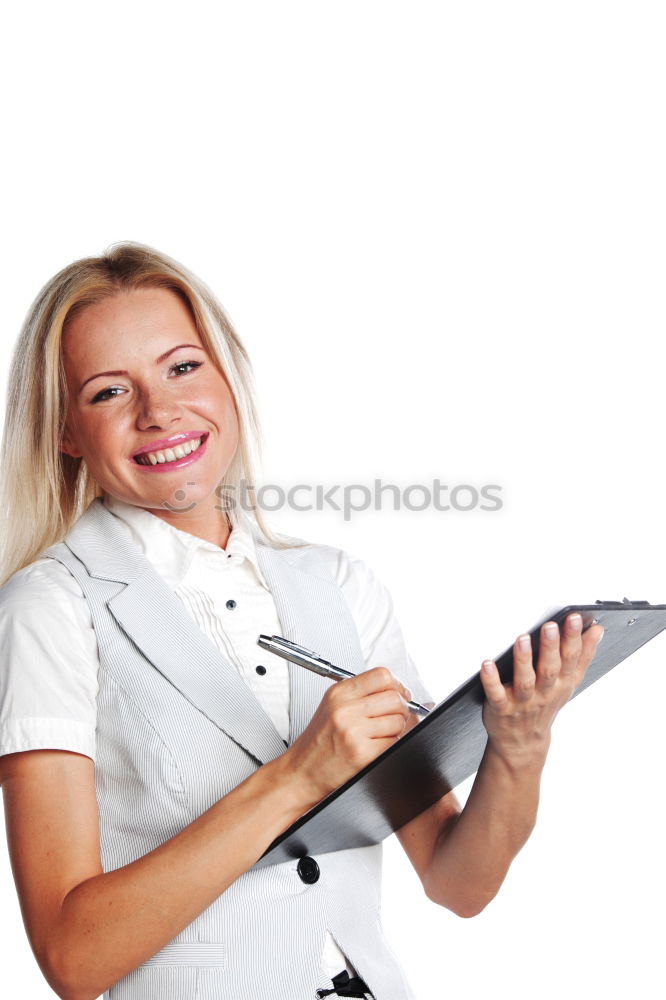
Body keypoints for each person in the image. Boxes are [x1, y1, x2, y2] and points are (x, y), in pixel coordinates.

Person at [0, 242, 603, 1000]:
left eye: (183, 367)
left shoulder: (341, 587)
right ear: (65, 431)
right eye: (108, 392)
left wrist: (519, 750)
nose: (159, 411)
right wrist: (298, 777)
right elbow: (71, 958)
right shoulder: (49, 608)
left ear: (225, 376)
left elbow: (458, 883)